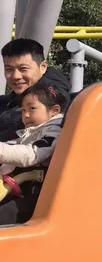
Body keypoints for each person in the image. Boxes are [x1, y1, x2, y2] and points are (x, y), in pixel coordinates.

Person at [0, 84, 67, 225]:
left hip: (36, 195)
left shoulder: (55, 132)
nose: (26, 115)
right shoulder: (30, 133)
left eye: (32, 108)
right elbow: (12, 146)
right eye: (23, 110)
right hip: (20, 188)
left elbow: (32, 154)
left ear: (55, 110)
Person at [0, 39, 70, 142]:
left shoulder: (50, 100)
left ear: (43, 67)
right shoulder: (17, 97)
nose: (15, 76)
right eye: (9, 69)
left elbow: (17, 129)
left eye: (23, 69)